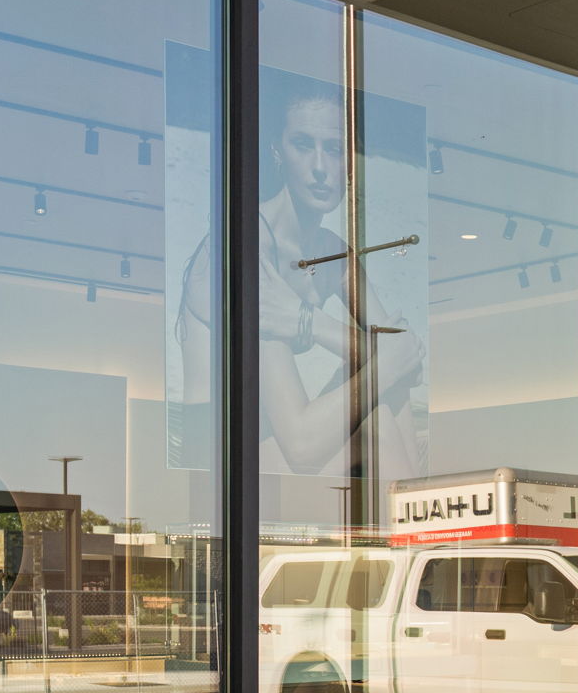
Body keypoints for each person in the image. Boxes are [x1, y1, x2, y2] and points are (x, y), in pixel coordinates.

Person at [176, 82, 424, 483]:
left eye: (335, 148)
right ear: (278, 150)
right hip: (218, 452)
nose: (320, 166)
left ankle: (417, 502)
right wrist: (384, 358)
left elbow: (406, 363)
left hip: (277, 437)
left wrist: (309, 321)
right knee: (375, 418)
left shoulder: (333, 254)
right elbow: (302, 446)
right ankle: (417, 512)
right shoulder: (247, 247)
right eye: (303, 145)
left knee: (384, 388)